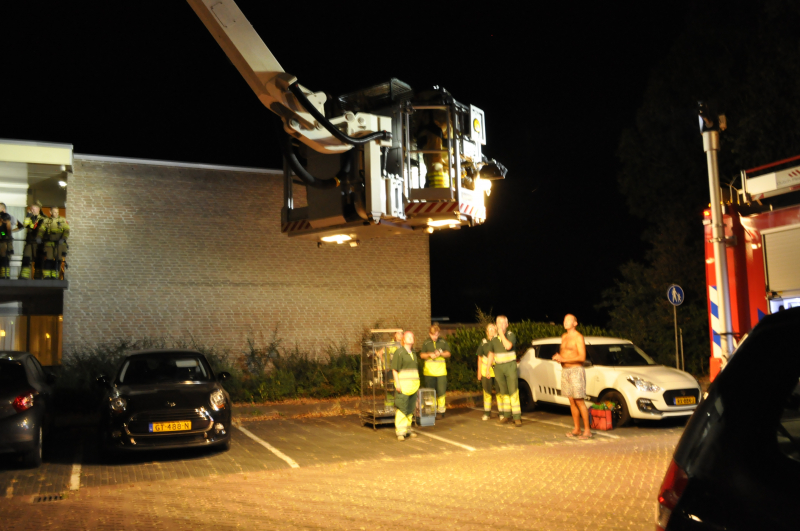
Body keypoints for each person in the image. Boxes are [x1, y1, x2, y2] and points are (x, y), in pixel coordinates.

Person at [553, 314, 592, 440]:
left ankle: (587, 430)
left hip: (576, 370)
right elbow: (566, 352)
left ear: (575, 323)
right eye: (564, 320)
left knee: (579, 400)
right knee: (571, 401)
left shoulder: (578, 337)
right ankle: (577, 429)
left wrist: (564, 358)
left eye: (568, 320)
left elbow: (582, 357)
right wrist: (558, 357)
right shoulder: (564, 336)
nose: (565, 322)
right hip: (565, 371)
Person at [487, 315, 521, 426]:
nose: (500, 325)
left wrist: (501, 334)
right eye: (498, 323)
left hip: (510, 367)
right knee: (504, 393)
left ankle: (517, 417)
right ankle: (507, 415)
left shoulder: (511, 335)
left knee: (513, 392)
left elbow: (508, 346)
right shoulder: (494, 339)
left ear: (507, 324)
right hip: (499, 368)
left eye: (502, 323)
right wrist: (488, 368)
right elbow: (491, 354)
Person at [391, 331, 420, 441]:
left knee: (410, 408)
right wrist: (397, 383)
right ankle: (400, 432)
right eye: (408, 336)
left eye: (412, 336)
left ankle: (407, 429)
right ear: (403, 340)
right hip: (403, 386)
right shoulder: (399, 352)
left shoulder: (413, 352)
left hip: (413, 386)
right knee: (402, 408)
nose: (411, 338)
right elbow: (394, 369)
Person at [420, 324, 451, 418]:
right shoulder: (426, 343)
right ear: (430, 334)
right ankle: (431, 411)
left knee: (441, 392)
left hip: (441, 372)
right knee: (430, 393)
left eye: (437, 335)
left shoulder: (443, 342)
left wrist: (440, 353)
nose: (435, 337)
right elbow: (421, 355)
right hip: (429, 372)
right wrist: (430, 355)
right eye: (433, 335)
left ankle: (441, 411)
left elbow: (448, 353)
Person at [476, 323, 503, 420]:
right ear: (487, 331)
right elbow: (479, 358)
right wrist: (479, 372)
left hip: (497, 370)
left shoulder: (499, 341)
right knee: (487, 392)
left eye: (493, 328)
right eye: (490, 329)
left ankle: (501, 413)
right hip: (485, 371)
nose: (492, 330)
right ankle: (487, 413)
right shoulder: (483, 342)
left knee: (499, 392)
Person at [37, 206, 69, 279]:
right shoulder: (46, 221)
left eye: (57, 212)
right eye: (54, 212)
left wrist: (63, 239)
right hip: (49, 243)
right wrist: (38, 237)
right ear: (50, 212)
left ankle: (55, 276)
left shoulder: (62, 220)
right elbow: (41, 230)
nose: (56, 214)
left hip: (59, 243)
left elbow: (66, 230)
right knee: (48, 259)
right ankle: (47, 276)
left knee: (58, 259)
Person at [19, 200, 45, 279]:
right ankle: (23, 276)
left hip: (39, 244)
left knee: (38, 260)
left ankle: (38, 277)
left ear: (38, 209)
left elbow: (39, 229)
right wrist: (28, 216)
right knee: (26, 258)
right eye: (31, 209)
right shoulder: (30, 217)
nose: (31, 210)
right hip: (30, 242)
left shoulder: (43, 219)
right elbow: (25, 225)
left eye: (33, 209)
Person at [0, 206, 12, 279]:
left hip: (4, 243)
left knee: (5, 259)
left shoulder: (6, 221)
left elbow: (7, 233)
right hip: (3, 242)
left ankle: (5, 275)